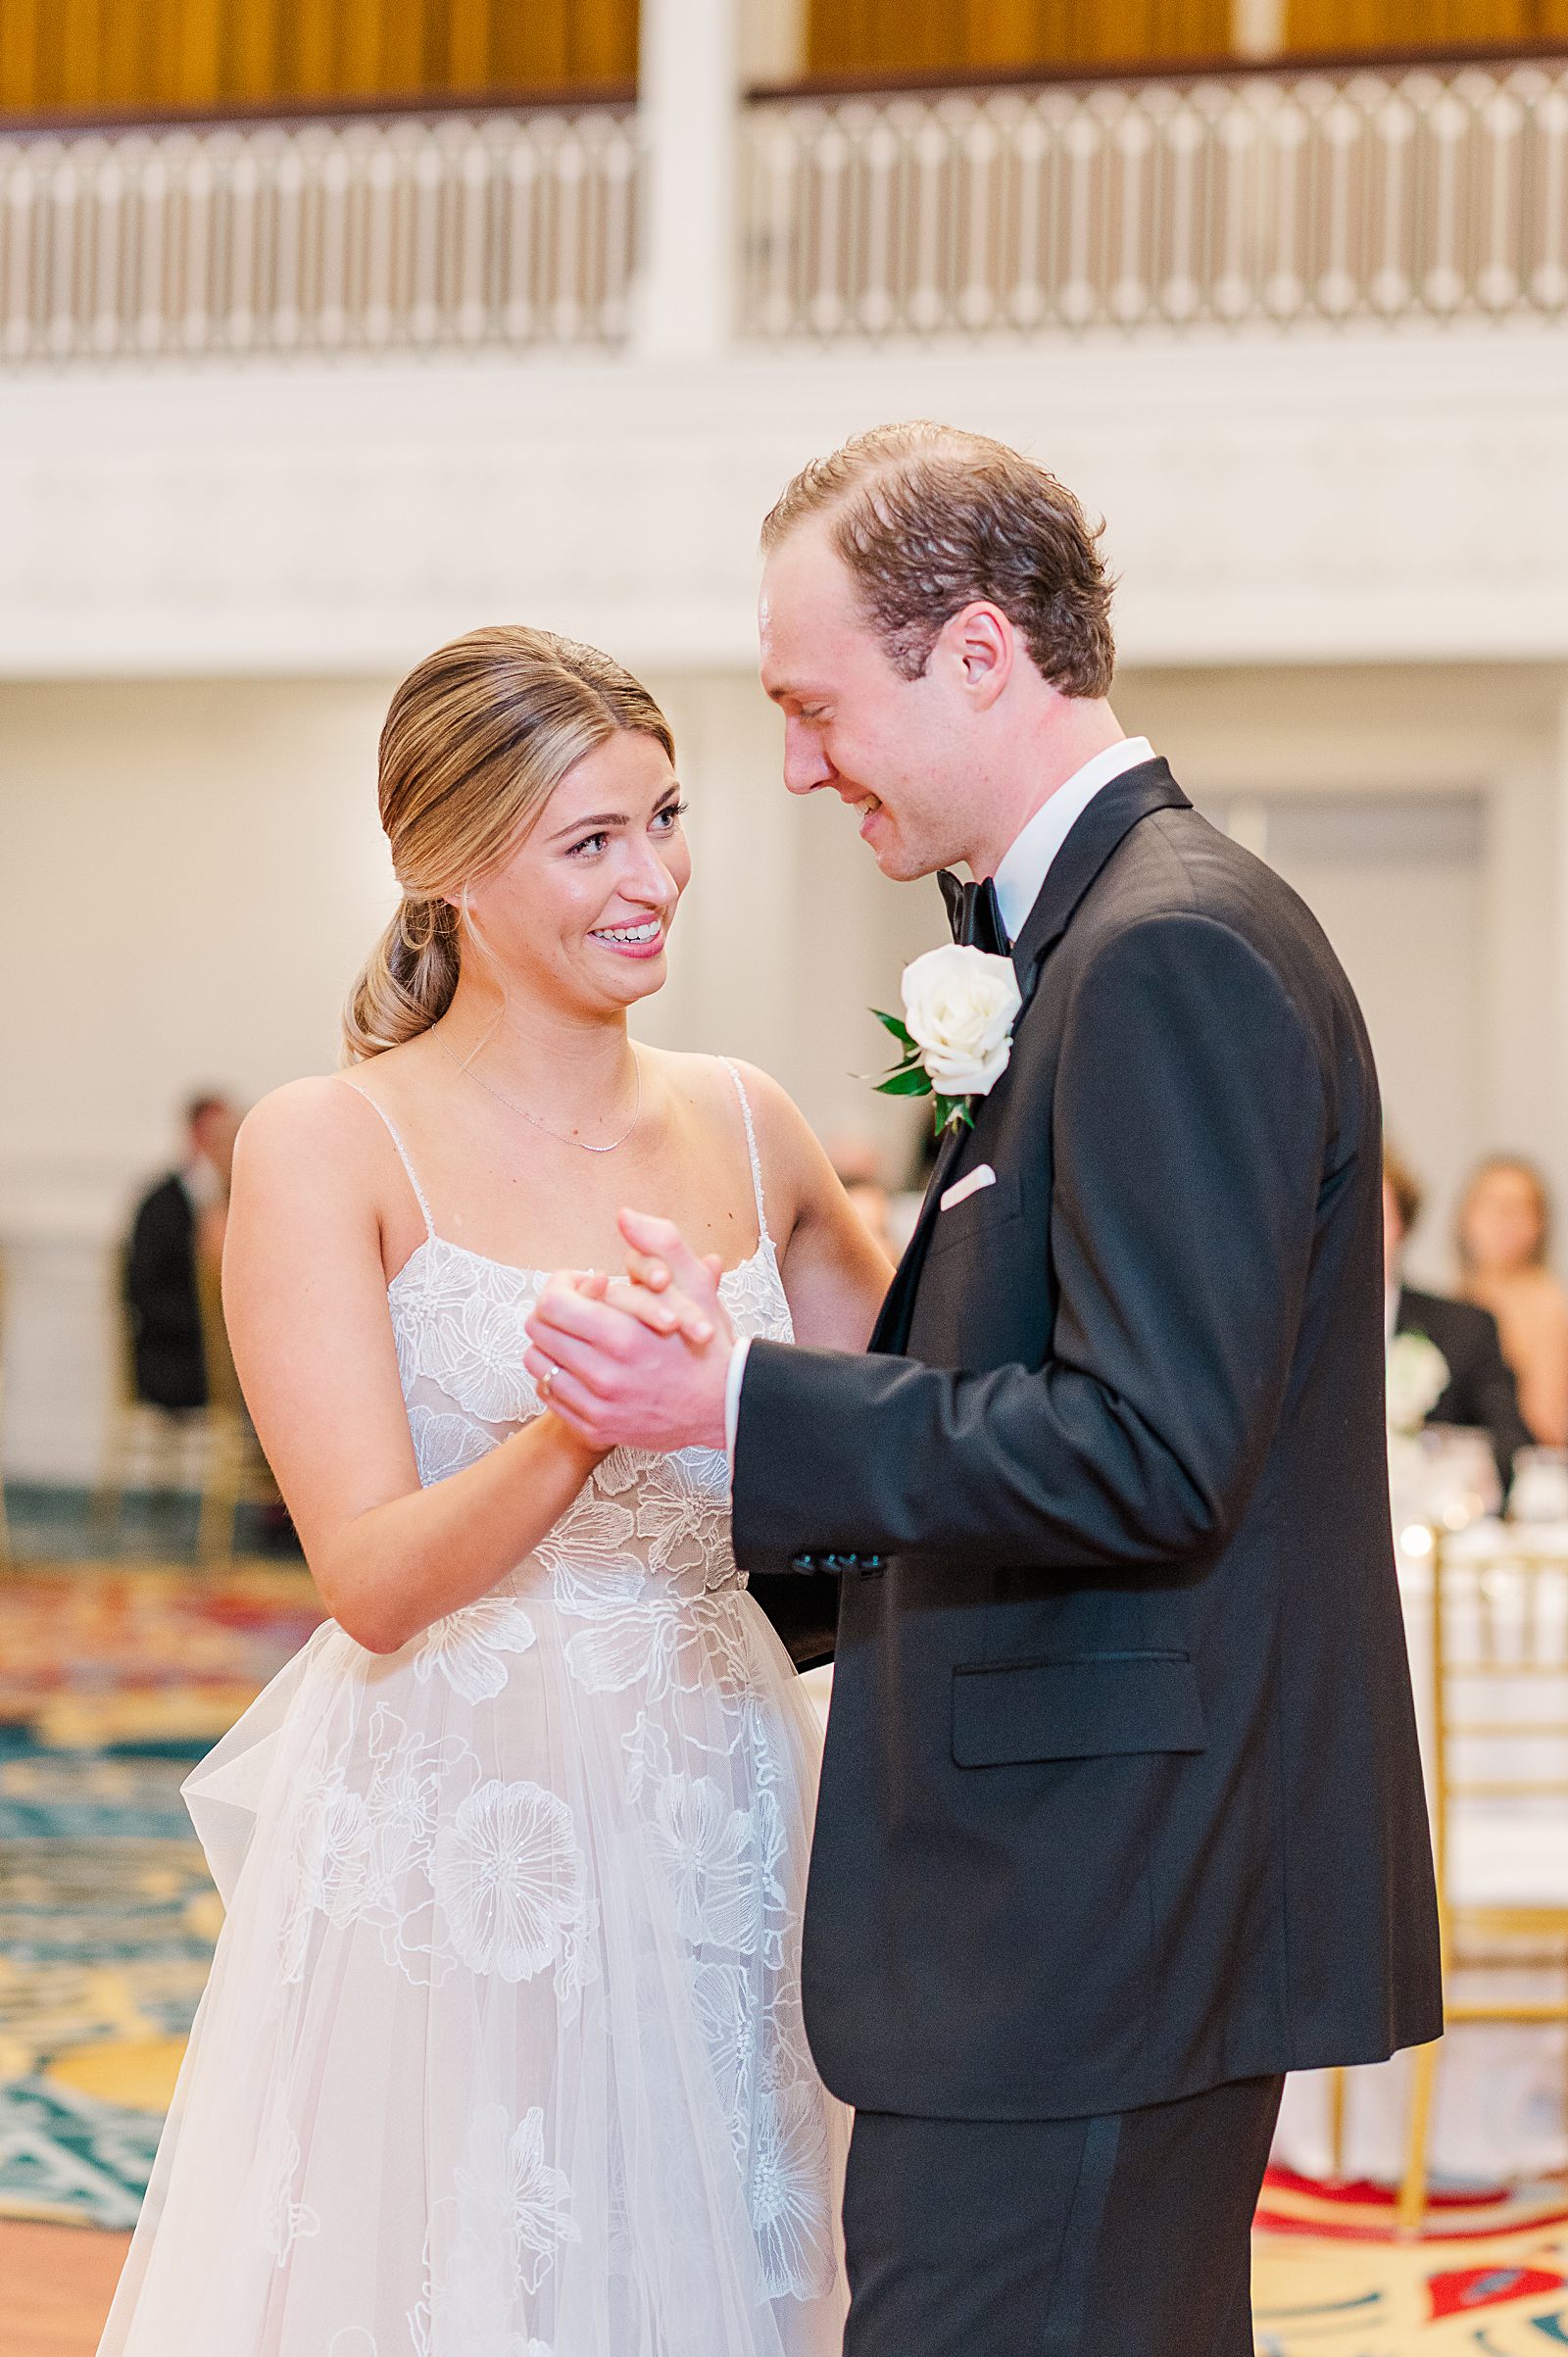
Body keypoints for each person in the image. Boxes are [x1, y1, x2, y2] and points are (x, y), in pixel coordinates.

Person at [524, 423, 1444, 2357]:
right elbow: (1040, 1401)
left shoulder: (1158, 946)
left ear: (969, 654)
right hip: (1094, 1895)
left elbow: (1148, 1453)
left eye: (808, 703)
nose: (788, 764)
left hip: (1092, 1907)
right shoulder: (1101, 935)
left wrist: (739, 1405)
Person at [98, 627, 891, 2357]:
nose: (656, 878)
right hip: (466, 1816)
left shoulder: (749, 1123)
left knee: (749, 2263)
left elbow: (916, 1405)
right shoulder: (330, 1143)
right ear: (446, 869)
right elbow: (370, 1581)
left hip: (727, 1786)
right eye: (592, 840)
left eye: (667, 819)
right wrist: (581, 1424)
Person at [1385, 1143, 1530, 1493]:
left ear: (1403, 1227)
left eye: (1378, 1217)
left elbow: (1510, 1438)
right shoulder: (1291, 1334)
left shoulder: (1462, 1327)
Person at [123, 1093, 240, 1409]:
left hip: (216, 1350)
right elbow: (145, 1293)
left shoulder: (239, 1201)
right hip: (175, 1357)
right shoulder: (161, 1204)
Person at [1457, 1154, 1568, 1448]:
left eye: (1520, 1207)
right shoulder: (1454, 1299)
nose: (1504, 1220)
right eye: (1492, 1204)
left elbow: (1546, 1429)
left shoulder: (1546, 1302)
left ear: (1539, 1224)